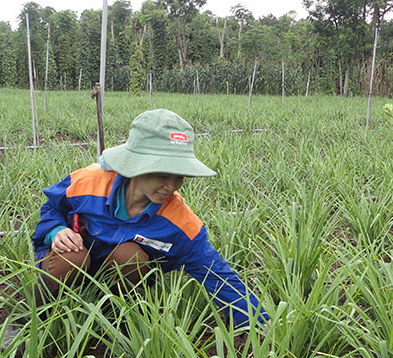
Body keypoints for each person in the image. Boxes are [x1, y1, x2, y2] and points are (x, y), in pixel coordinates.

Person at [30, 108, 267, 329]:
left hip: (118, 276)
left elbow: (215, 272)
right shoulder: (89, 182)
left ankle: (114, 319)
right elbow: (52, 207)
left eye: (179, 177)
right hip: (76, 263)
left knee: (130, 257)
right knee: (72, 255)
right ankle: (30, 320)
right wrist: (56, 231)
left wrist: (258, 320)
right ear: (135, 166)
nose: (171, 186)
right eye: (162, 174)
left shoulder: (178, 221)